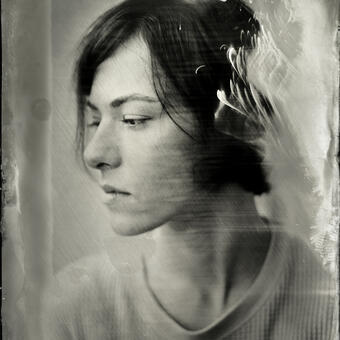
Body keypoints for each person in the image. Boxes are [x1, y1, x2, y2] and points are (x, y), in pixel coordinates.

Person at [44, 0, 337, 339]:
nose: (94, 154)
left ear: (232, 117)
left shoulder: (325, 299)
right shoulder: (71, 311)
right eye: (95, 120)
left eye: (133, 119)